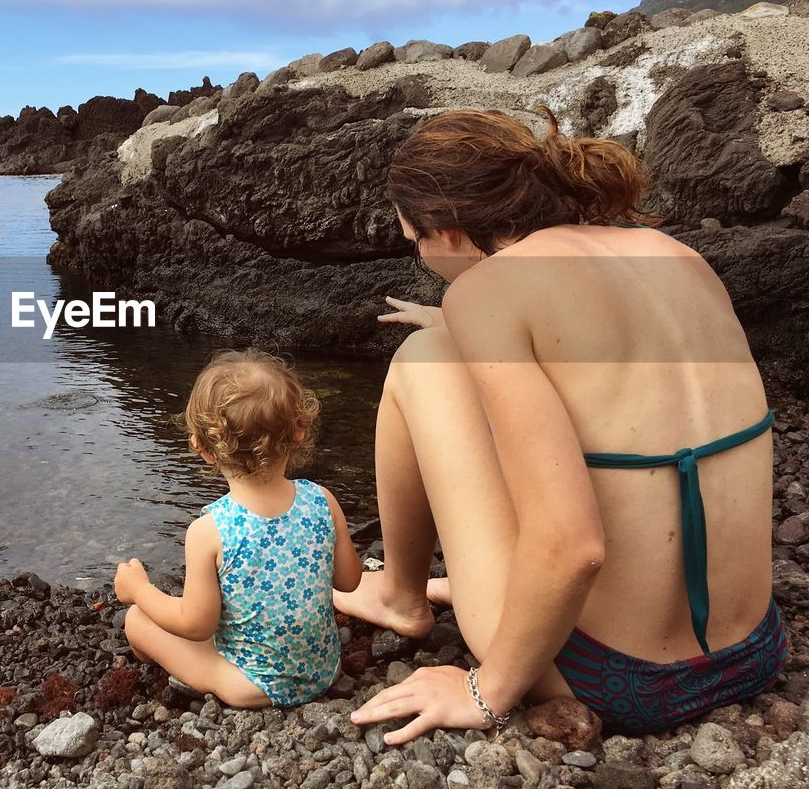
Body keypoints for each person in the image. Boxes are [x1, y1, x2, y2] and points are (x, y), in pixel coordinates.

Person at [334, 107, 785, 742]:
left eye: (417, 242)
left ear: (448, 231)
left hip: (625, 679)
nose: (423, 257)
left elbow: (575, 546)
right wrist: (463, 326)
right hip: (754, 649)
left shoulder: (490, 289)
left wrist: (483, 692)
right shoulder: (676, 255)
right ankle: (412, 592)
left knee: (421, 360)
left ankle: (399, 597)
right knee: (449, 350)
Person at [115, 349, 363, 707]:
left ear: (203, 447)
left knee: (138, 620)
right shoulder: (322, 499)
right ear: (298, 431)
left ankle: (146, 658)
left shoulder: (209, 530)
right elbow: (350, 581)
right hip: (324, 668)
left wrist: (138, 590)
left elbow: (195, 624)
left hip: (253, 685)